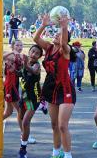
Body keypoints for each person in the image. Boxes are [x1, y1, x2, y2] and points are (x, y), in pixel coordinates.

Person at [33, 14, 76, 158]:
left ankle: (68, 155)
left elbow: (64, 43)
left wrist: (64, 27)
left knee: (63, 125)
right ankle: (56, 153)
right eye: (56, 34)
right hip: (51, 89)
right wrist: (43, 25)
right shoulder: (49, 48)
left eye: (59, 35)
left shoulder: (66, 50)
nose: (56, 36)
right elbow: (35, 39)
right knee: (54, 125)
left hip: (65, 89)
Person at [18, 45, 43, 158]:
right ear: (29, 52)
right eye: (32, 51)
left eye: (37, 53)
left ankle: (23, 149)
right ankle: (24, 137)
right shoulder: (24, 64)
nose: (33, 54)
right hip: (24, 96)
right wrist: (10, 67)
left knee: (25, 123)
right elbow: (19, 73)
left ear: (39, 57)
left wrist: (25, 63)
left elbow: (32, 70)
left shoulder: (37, 65)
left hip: (33, 98)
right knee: (20, 119)